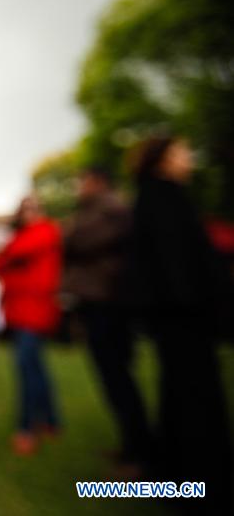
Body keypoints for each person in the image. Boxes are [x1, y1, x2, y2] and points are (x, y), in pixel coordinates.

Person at [132, 136, 232, 513]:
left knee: (181, 394)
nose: (188, 159)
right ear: (162, 160)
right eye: (181, 152)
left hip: (179, 317)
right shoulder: (162, 199)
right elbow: (178, 266)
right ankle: (196, 481)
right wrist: (204, 306)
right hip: (184, 317)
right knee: (193, 396)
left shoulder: (162, 198)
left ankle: (178, 476)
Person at [63, 166, 151, 473]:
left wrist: (72, 234)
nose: (79, 187)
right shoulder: (97, 210)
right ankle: (131, 445)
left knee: (118, 377)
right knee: (112, 378)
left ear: (97, 182)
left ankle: (140, 452)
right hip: (99, 302)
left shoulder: (111, 208)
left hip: (109, 304)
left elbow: (77, 242)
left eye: (82, 181)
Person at [0, 196, 62, 456]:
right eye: (25, 209)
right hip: (21, 310)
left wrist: (8, 256)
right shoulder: (26, 235)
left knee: (26, 367)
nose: (29, 214)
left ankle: (27, 428)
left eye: (33, 208)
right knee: (36, 367)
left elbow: (14, 253)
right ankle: (51, 421)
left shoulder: (44, 231)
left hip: (35, 310)